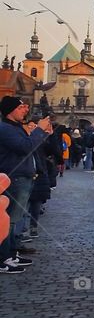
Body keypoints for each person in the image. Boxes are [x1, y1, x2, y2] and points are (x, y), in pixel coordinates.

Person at [0, 96, 52, 273]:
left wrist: (43, 133)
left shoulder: (14, 127)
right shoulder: (5, 129)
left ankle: (12, 254)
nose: (26, 110)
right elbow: (24, 147)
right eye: (21, 107)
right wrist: (39, 130)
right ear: (10, 110)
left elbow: (31, 146)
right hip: (14, 178)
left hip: (23, 177)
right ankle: (4, 258)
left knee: (15, 220)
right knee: (9, 221)